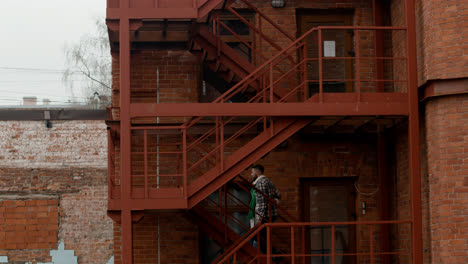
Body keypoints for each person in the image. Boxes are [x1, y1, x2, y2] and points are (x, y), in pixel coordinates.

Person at [250, 164, 281, 254]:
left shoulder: (261, 183)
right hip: (269, 214)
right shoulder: (268, 181)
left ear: (257, 171)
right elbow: (278, 195)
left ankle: (274, 253)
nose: (251, 174)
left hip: (264, 215)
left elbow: (262, 202)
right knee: (262, 237)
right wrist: (273, 201)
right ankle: (271, 254)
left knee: (257, 237)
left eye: (252, 172)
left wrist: (259, 218)